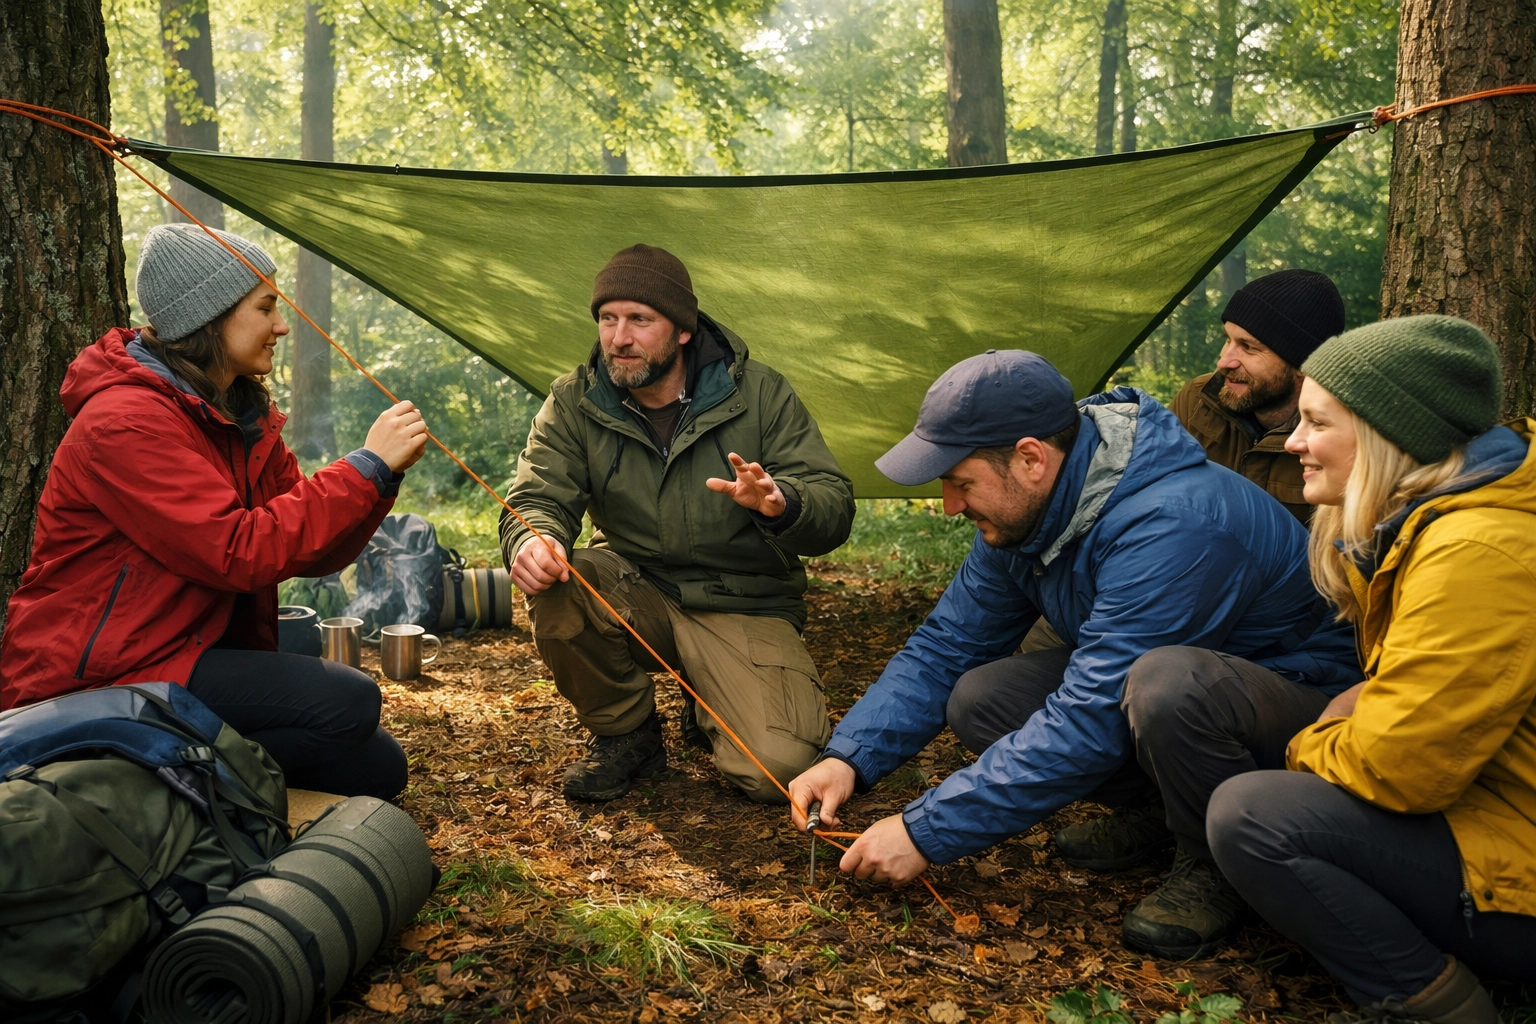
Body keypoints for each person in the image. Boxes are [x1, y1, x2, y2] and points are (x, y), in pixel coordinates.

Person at [786, 349, 1358, 954]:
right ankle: (1165, 816)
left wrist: (924, 832)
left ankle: (1216, 860)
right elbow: (949, 644)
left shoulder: (1173, 521)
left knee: (1168, 685)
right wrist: (849, 757)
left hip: (1303, 710)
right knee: (983, 697)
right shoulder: (1027, 512)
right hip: (1186, 694)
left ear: (1031, 458)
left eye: (961, 482)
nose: (951, 505)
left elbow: (1091, 717)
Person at [0, 224, 423, 801]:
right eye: (266, 306)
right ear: (211, 316)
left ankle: (186, 778)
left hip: (181, 652)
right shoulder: (124, 422)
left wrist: (382, 477)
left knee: (376, 766)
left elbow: (316, 549)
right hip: (97, 677)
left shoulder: (239, 416)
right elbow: (241, 551)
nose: (280, 325)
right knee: (349, 702)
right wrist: (364, 466)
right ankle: (128, 776)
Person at [1206, 315, 1536, 1024]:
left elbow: (1400, 767)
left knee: (1254, 814)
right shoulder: (1433, 519)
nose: (1293, 441)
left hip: (1519, 865)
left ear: (1391, 437)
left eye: (1317, 423)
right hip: (1489, 805)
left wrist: (1311, 740)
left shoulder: (1478, 551)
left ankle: (1436, 1006)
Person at [501, 243, 854, 804]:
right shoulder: (575, 400)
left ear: (683, 330)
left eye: (640, 320)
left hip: (744, 599)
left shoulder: (759, 394)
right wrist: (534, 537)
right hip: (636, 588)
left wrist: (781, 501)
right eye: (608, 319)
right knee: (563, 580)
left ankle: (709, 694)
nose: (620, 337)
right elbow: (539, 493)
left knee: (776, 771)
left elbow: (833, 504)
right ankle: (627, 734)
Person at [1170, 269, 1346, 523]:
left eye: (1248, 347)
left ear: (1303, 364)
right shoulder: (1198, 401)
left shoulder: (1341, 434)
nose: (1224, 361)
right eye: (1227, 340)